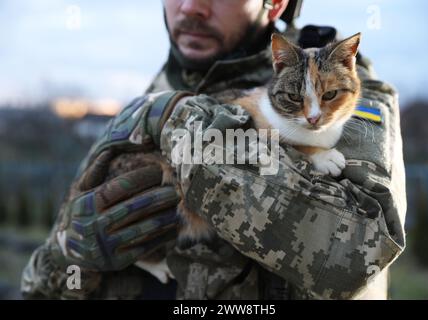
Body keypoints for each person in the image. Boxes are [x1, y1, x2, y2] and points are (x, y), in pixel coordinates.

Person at [21, 0, 406, 300]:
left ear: (274, 4)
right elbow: (38, 287)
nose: (191, 7)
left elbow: (356, 253)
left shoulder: (352, 94)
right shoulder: (145, 97)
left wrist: (177, 122)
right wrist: (66, 258)